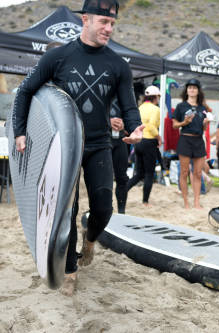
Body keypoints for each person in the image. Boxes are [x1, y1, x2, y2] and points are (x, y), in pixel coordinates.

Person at [11, 0, 144, 296]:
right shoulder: (58, 57)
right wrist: (19, 132)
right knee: (65, 211)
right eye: (103, 23)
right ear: (86, 19)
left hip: (98, 144)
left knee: (103, 207)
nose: (109, 29)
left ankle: (91, 239)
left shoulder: (118, 65)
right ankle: (70, 270)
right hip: (63, 146)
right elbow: (25, 92)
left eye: (112, 24)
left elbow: (129, 106)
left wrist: (135, 128)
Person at [172, 78, 209, 209]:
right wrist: (184, 123)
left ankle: (196, 202)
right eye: (190, 87)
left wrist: (205, 124)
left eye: (194, 87)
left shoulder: (202, 108)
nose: (192, 89)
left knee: (198, 173)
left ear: (198, 91)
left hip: (198, 140)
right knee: (184, 172)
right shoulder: (181, 106)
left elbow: (203, 129)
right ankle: (186, 202)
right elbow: (175, 125)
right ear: (186, 90)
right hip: (185, 139)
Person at [127, 85, 162, 207]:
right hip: (149, 142)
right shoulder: (155, 109)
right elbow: (151, 126)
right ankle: (145, 201)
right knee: (149, 173)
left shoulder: (140, 107)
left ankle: (123, 190)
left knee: (139, 173)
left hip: (139, 142)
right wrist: (158, 137)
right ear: (156, 97)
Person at [110, 99, 130, 214]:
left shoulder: (123, 95)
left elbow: (132, 118)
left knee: (122, 177)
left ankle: (122, 211)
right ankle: (105, 210)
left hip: (120, 139)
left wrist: (124, 125)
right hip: (103, 139)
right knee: (104, 178)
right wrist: (108, 121)